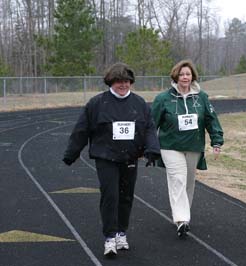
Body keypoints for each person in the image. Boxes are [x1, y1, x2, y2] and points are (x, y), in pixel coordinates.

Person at [62, 62, 160, 256]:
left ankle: (121, 232)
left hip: (130, 157)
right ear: (110, 82)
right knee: (110, 196)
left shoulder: (140, 104)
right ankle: (109, 237)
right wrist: (71, 154)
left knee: (126, 196)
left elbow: (148, 128)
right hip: (106, 157)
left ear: (131, 82)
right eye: (118, 81)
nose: (123, 85)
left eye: (126, 81)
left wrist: (152, 149)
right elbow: (82, 130)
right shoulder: (97, 104)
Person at [151, 60, 224, 238]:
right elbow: (151, 124)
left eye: (188, 74)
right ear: (176, 76)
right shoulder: (163, 99)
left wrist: (216, 141)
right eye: (182, 74)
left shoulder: (202, 97)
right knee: (178, 179)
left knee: (189, 182)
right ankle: (182, 219)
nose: (185, 77)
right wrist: (148, 147)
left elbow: (211, 120)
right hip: (170, 146)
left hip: (193, 145)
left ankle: (184, 217)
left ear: (193, 77)